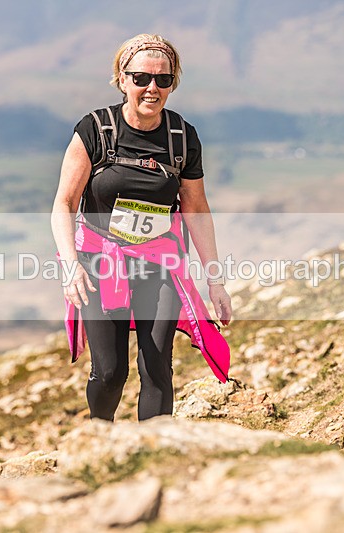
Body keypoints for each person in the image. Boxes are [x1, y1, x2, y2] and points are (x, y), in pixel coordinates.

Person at [51, 33, 231, 422]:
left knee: (157, 369)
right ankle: (99, 440)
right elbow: (64, 204)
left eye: (163, 80)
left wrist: (215, 281)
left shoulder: (182, 137)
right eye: (141, 78)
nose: (152, 88)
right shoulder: (95, 129)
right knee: (110, 373)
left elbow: (196, 209)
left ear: (172, 83)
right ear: (122, 79)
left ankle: (152, 451)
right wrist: (70, 266)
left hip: (160, 263)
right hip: (100, 262)